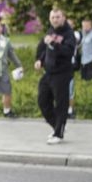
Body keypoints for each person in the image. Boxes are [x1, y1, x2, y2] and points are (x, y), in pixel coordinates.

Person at [34, 9, 76, 145]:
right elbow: (46, 49)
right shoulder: (51, 31)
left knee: (61, 104)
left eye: (57, 17)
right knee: (42, 101)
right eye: (52, 17)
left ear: (63, 18)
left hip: (62, 73)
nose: (55, 20)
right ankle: (58, 126)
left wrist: (53, 43)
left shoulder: (69, 34)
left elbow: (68, 52)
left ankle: (58, 133)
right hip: (49, 73)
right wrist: (40, 60)